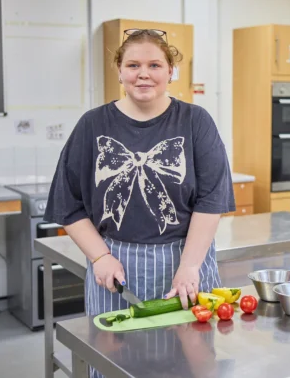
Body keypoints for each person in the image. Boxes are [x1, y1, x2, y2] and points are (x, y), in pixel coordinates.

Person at [43, 28, 235, 342]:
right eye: (133, 65)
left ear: (170, 71)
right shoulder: (92, 125)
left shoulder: (195, 121)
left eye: (154, 65)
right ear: (119, 71)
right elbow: (68, 204)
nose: (143, 74)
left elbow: (211, 200)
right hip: (115, 268)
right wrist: (100, 258)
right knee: (113, 360)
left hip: (185, 263)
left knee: (188, 358)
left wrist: (189, 265)